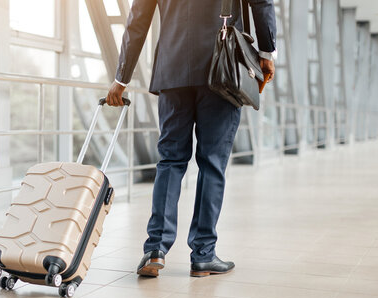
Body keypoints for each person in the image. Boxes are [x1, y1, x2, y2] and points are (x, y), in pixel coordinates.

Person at [106, 0, 277, 277]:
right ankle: (203, 254)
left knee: (170, 160)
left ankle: (155, 249)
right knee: (212, 163)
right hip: (222, 67)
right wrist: (267, 51)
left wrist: (121, 78)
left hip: (172, 70)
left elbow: (138, 18)